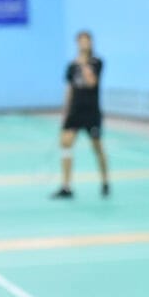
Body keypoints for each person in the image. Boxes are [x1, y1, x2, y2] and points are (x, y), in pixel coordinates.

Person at [52, 31, 109, 199]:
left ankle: (105, 182)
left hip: (91, 112)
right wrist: (65, 111)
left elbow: (92, 82)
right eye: (81, 41)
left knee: (97, 147)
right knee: (65, 143)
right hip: (75, 112)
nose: (84, 44)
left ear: (91, 43)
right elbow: (69, 88)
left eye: (87, 41)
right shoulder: (71, 66)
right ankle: (66, 186)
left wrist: (84, 64)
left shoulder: (97, 62)